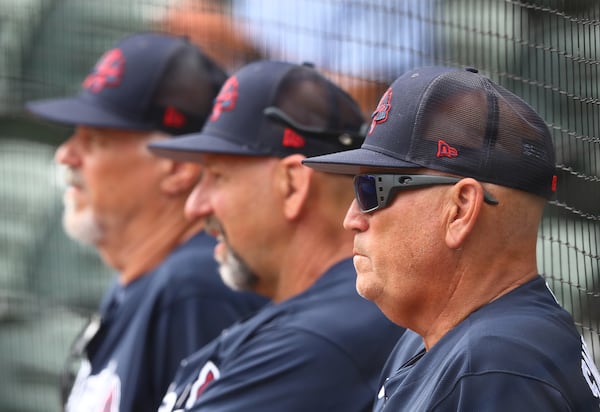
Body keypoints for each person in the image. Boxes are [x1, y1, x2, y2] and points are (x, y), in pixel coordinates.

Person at [302, 66, 600, 410]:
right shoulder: (441, 336)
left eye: (371, 190)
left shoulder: (494, 370)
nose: (351, 219)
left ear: (460, 209)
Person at [25, 32, 266, 412]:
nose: (65, 155)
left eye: (96, 139)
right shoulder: (148, 276)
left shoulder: (196, 290)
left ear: (179, 168)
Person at [148, 60, 406, 411]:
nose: (195, 205)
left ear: (291, 186)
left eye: (218, 177)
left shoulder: (316, 341)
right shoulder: (303, 319)